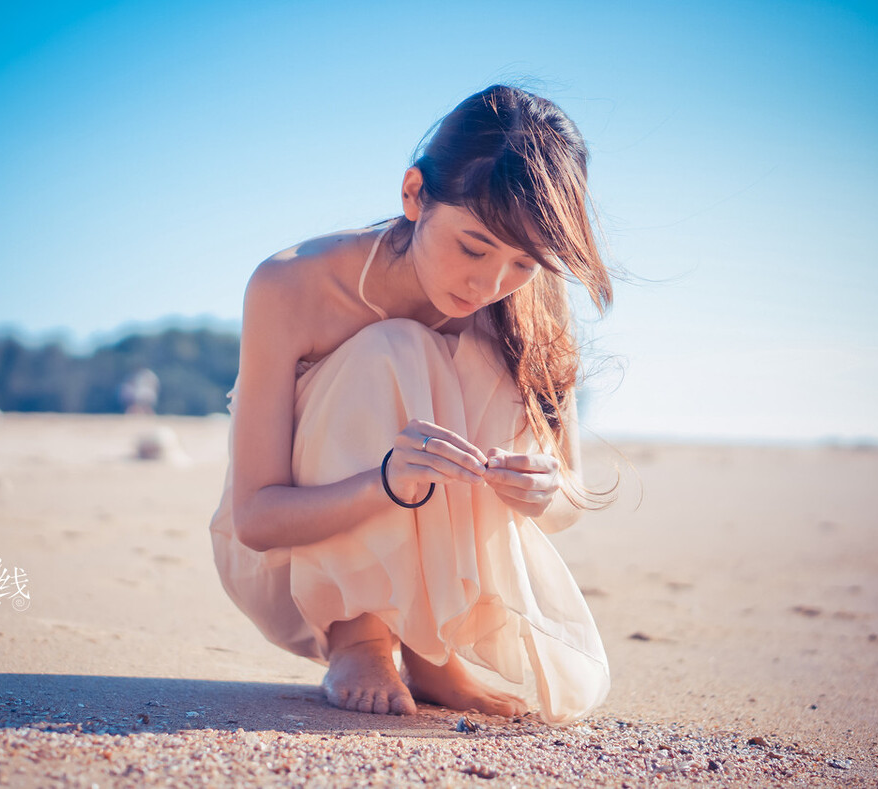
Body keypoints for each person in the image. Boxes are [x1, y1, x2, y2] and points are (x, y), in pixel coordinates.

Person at [209, 85, 613, 725]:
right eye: (473, 247)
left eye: (523, 263)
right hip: (293, 562)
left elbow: (568, 500)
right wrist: (387, 484)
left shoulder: (532, 300)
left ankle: (430, 652)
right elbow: (256, 519)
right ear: (414, 195)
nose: (488, 284)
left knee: (489, 354)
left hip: (428, 564)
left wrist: (541, 491)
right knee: (392, 348)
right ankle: (361, 636)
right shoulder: (293, 284)